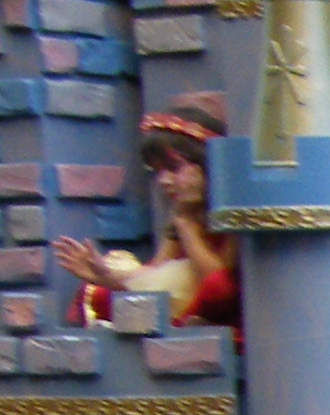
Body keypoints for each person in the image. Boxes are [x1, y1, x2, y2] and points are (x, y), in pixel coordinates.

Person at [55, 101, 238, 333]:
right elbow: (156, 274)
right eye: (158, 171)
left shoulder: (231, 214)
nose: (164, 181)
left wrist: (187, 228)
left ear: (207, 165)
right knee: (100, 293)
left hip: (225, 324)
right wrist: (104, 275)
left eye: (174, 168)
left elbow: (219, 287)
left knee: (217, 286)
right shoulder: (182, 214)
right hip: (183, 314)